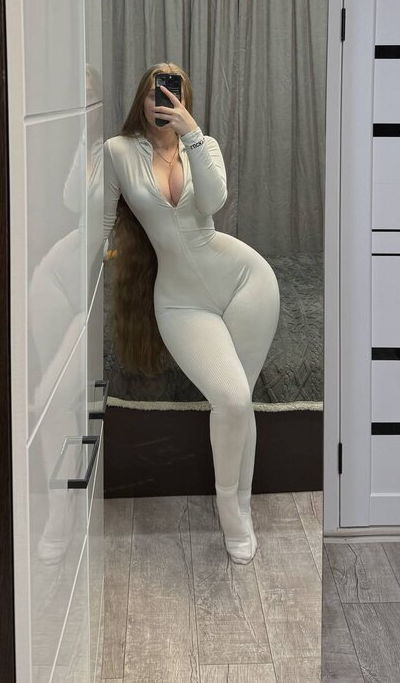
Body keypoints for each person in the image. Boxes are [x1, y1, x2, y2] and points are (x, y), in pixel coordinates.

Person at [103, 62, 280, 564]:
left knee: (240, 403)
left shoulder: (204, 145)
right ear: (142, 99)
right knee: (232, 398)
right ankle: (230, 511)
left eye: (172, 90)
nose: (162, 99)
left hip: (246, 281)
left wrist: (193, 135)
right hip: (180, 300)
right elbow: (98, 220)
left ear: (185, 98)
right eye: (155, 90)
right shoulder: (118, 152)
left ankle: (240, 507)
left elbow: (214, 202)